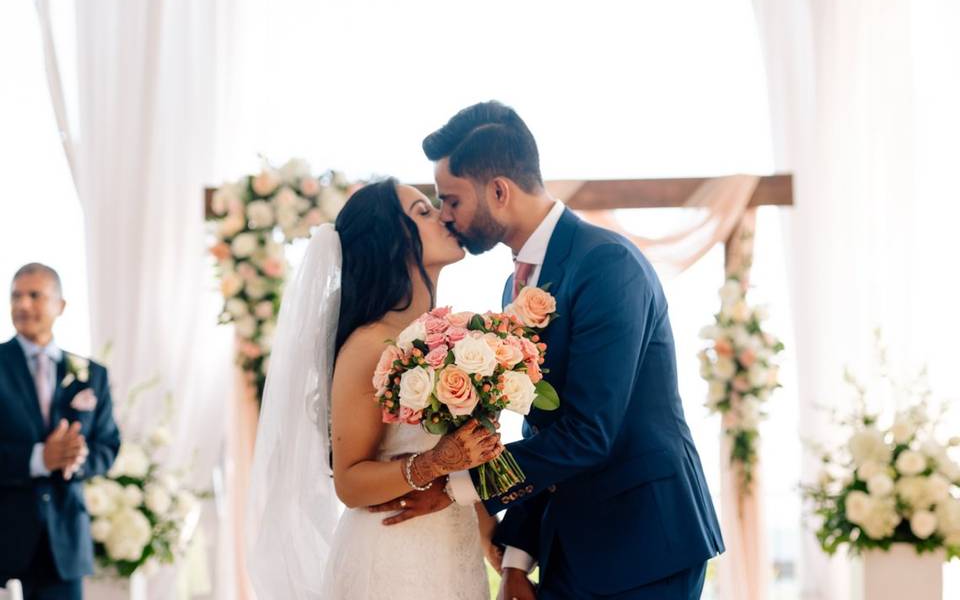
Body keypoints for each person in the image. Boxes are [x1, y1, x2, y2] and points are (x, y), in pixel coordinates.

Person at [371, 101, 725, 599]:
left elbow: (588, 433)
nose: (446, 217)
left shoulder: (607, 265)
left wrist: (456, 487)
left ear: (498, 191)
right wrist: (517, 558)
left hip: (645, 544)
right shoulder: (513, 288)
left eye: (451, 200)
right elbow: (543, 431)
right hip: (572, 544)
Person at [246, 179, 504, 599]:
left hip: (452, 550)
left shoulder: (454, 338)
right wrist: (431, 463)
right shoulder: (370, 343)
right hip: (393, 555)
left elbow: (469, 459)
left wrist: (495, 542)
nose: (443, 215)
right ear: (392, 243)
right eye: (423, 212)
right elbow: (349, 482)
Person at [0, 263, 120, 600]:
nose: (23, 305)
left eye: (34, 295)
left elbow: (108, 445)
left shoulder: (91, 374)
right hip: (5, 540)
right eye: (16, 296)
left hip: (64, 544)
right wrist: (39, 458)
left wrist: (77, 458)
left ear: (60, 306)